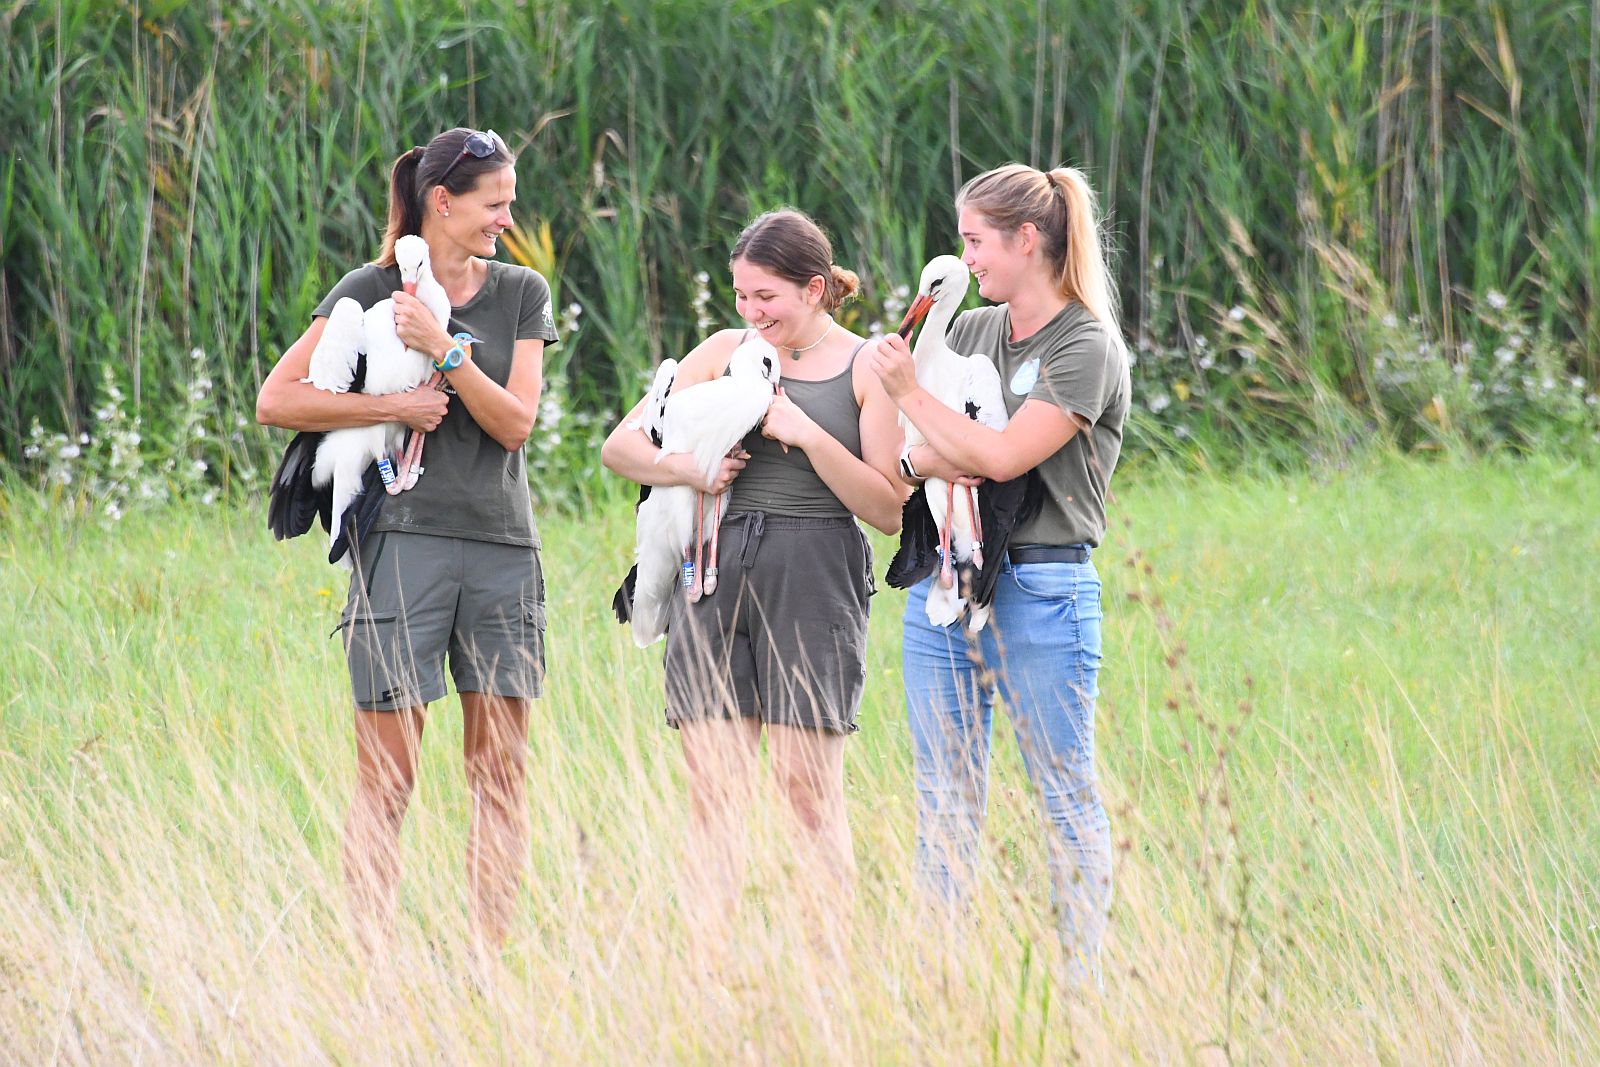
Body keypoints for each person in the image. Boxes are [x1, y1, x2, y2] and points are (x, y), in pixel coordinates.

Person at [256, 127, 558, 958]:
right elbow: (277, 399)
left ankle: (488, 965)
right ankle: (369, 966)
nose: (508, 216)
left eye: (510, 201)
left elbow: (515, 424)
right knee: (387, 781)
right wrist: (390, 410)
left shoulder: (520, 293)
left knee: (500, 778)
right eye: (495, 203)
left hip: (502, 551)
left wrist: (445, 350)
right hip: (402, 549)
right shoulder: (368, 286)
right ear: (442, 202)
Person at [601, 209, 902, 958]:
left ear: (815, 288)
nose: (751, 313)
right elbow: (621, 446)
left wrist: (804, 433)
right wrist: (686, 469)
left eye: (766, 296)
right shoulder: (721, 352)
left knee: (807, 791)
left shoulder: (866, 367)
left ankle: (823, 968)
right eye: (740, 295)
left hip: (817, 570)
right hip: (713, 573)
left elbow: (887, 508)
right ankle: (710, 967)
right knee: (712, 791)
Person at [867, 163, 1131, 982]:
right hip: (945, 584)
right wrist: (931, 444)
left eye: (977, 242)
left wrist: (915, 399)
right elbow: (903, 465)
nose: (968, 258)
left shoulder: (1085, 344)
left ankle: (1081, 987)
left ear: (1026, 241)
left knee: (1061, 794)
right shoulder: (972, 332)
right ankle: (939, 984)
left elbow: (1005, 455)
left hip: (1043, 592)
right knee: (944, 798)